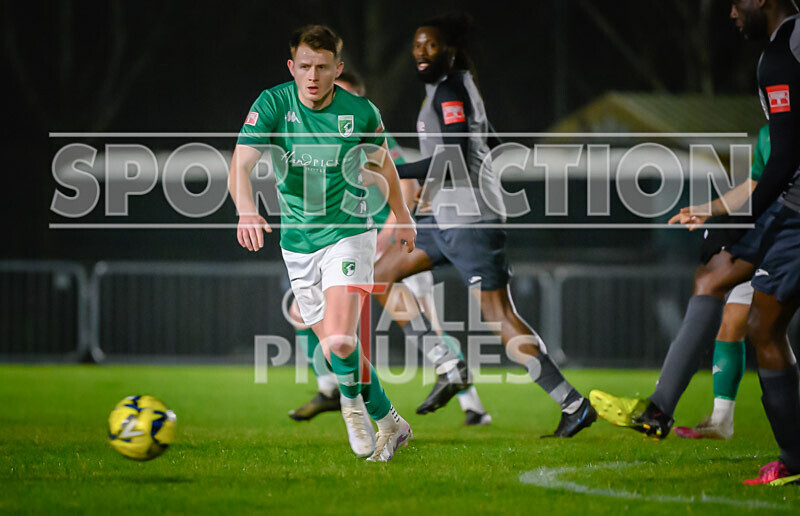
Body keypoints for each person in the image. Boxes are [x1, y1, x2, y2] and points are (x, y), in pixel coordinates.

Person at [591, 0, 800, 486]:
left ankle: (791, 459)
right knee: (723, 286)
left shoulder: (782, 54)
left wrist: (735, 223)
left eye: (736, 2)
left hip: (794, 209)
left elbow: (787, 156)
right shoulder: (786, 46)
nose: (730, 11)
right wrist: (719, 213)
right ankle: (663, 409)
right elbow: (770, 168)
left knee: (761, 327)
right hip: (787, 205)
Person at [369, 13, 596, 437]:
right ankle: (448, 364)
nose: (420, 52)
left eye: (430, 45)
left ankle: (574, 404)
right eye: (417, 45)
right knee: (379, 275)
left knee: (499, 316)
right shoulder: (456, 86)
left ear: (449, 49)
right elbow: (486, 140)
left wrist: (395, 172)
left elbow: (456, 154)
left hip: (470, 219)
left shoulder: (451, 88)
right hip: (447, 216)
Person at [228, 25, 415, 462]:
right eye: (305, 67)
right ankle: (392, 422)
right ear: (292, 67)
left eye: (323, 67)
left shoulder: (361, 112)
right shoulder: (273, 102)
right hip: (298, 245)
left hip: (350, 235)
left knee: (339, 342)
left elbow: (385, 167)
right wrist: (246, 208)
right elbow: (240, 163)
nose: (313, 76)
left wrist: (402, 217)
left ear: (338, 69)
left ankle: (352, 409)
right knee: (339, 349)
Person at [288, 70, 492, 426]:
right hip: (352, 251)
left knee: (428, 326)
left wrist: (385, 233)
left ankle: (473, 406)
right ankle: (329, 388)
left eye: (344, 94)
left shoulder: (371, 136)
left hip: (393, 245)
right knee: (303, 310)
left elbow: (409, 184)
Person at [669, 124, 769, 440]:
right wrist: (709, 211)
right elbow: (753, 185)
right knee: (734, 322)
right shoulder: (768, 133)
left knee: (769, 330)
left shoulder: (785, 128)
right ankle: (722, 419)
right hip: (766, 235)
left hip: (784, 238)